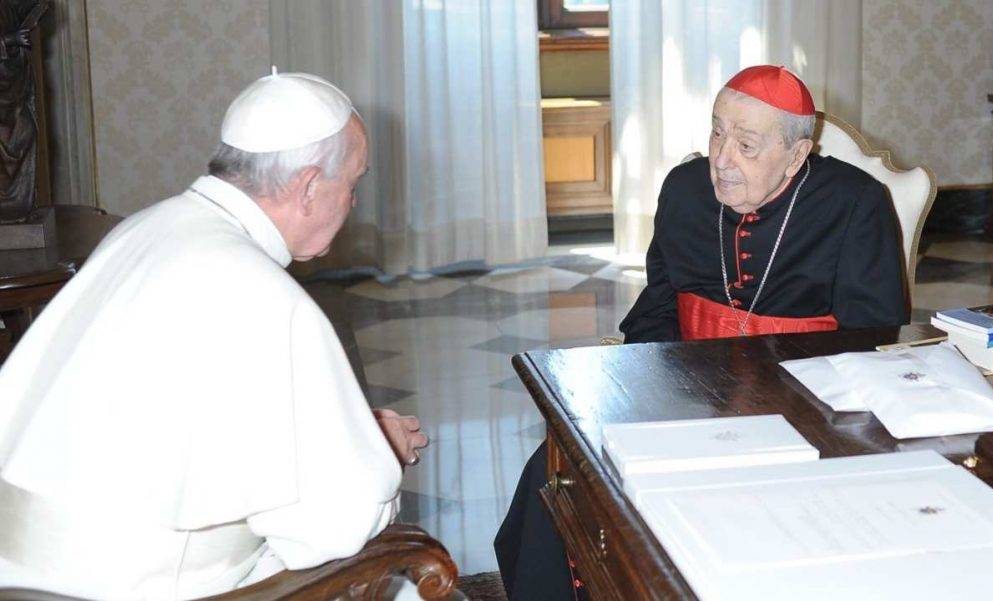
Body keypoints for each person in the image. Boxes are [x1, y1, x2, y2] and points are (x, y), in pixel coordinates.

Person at [0, 70, 429, 600]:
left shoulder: (144, 228)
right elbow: (331, 529)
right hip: (144, 587)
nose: (354, 203)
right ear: (310, 186)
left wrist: (346, 433)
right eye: (353, 184)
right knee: (405, 584)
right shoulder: (270, 298)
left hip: (19, 568)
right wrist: (376, 452)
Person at [496, 65, 908, 601]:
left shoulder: (855, 203)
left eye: (746, 144)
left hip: (806, 403)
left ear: (797, 155)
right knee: (564, 467)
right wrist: (643, 385)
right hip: (684, 388)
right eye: (717, 131)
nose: (720, 157)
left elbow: (872, 337)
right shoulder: (685, 189)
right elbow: (658, 304)